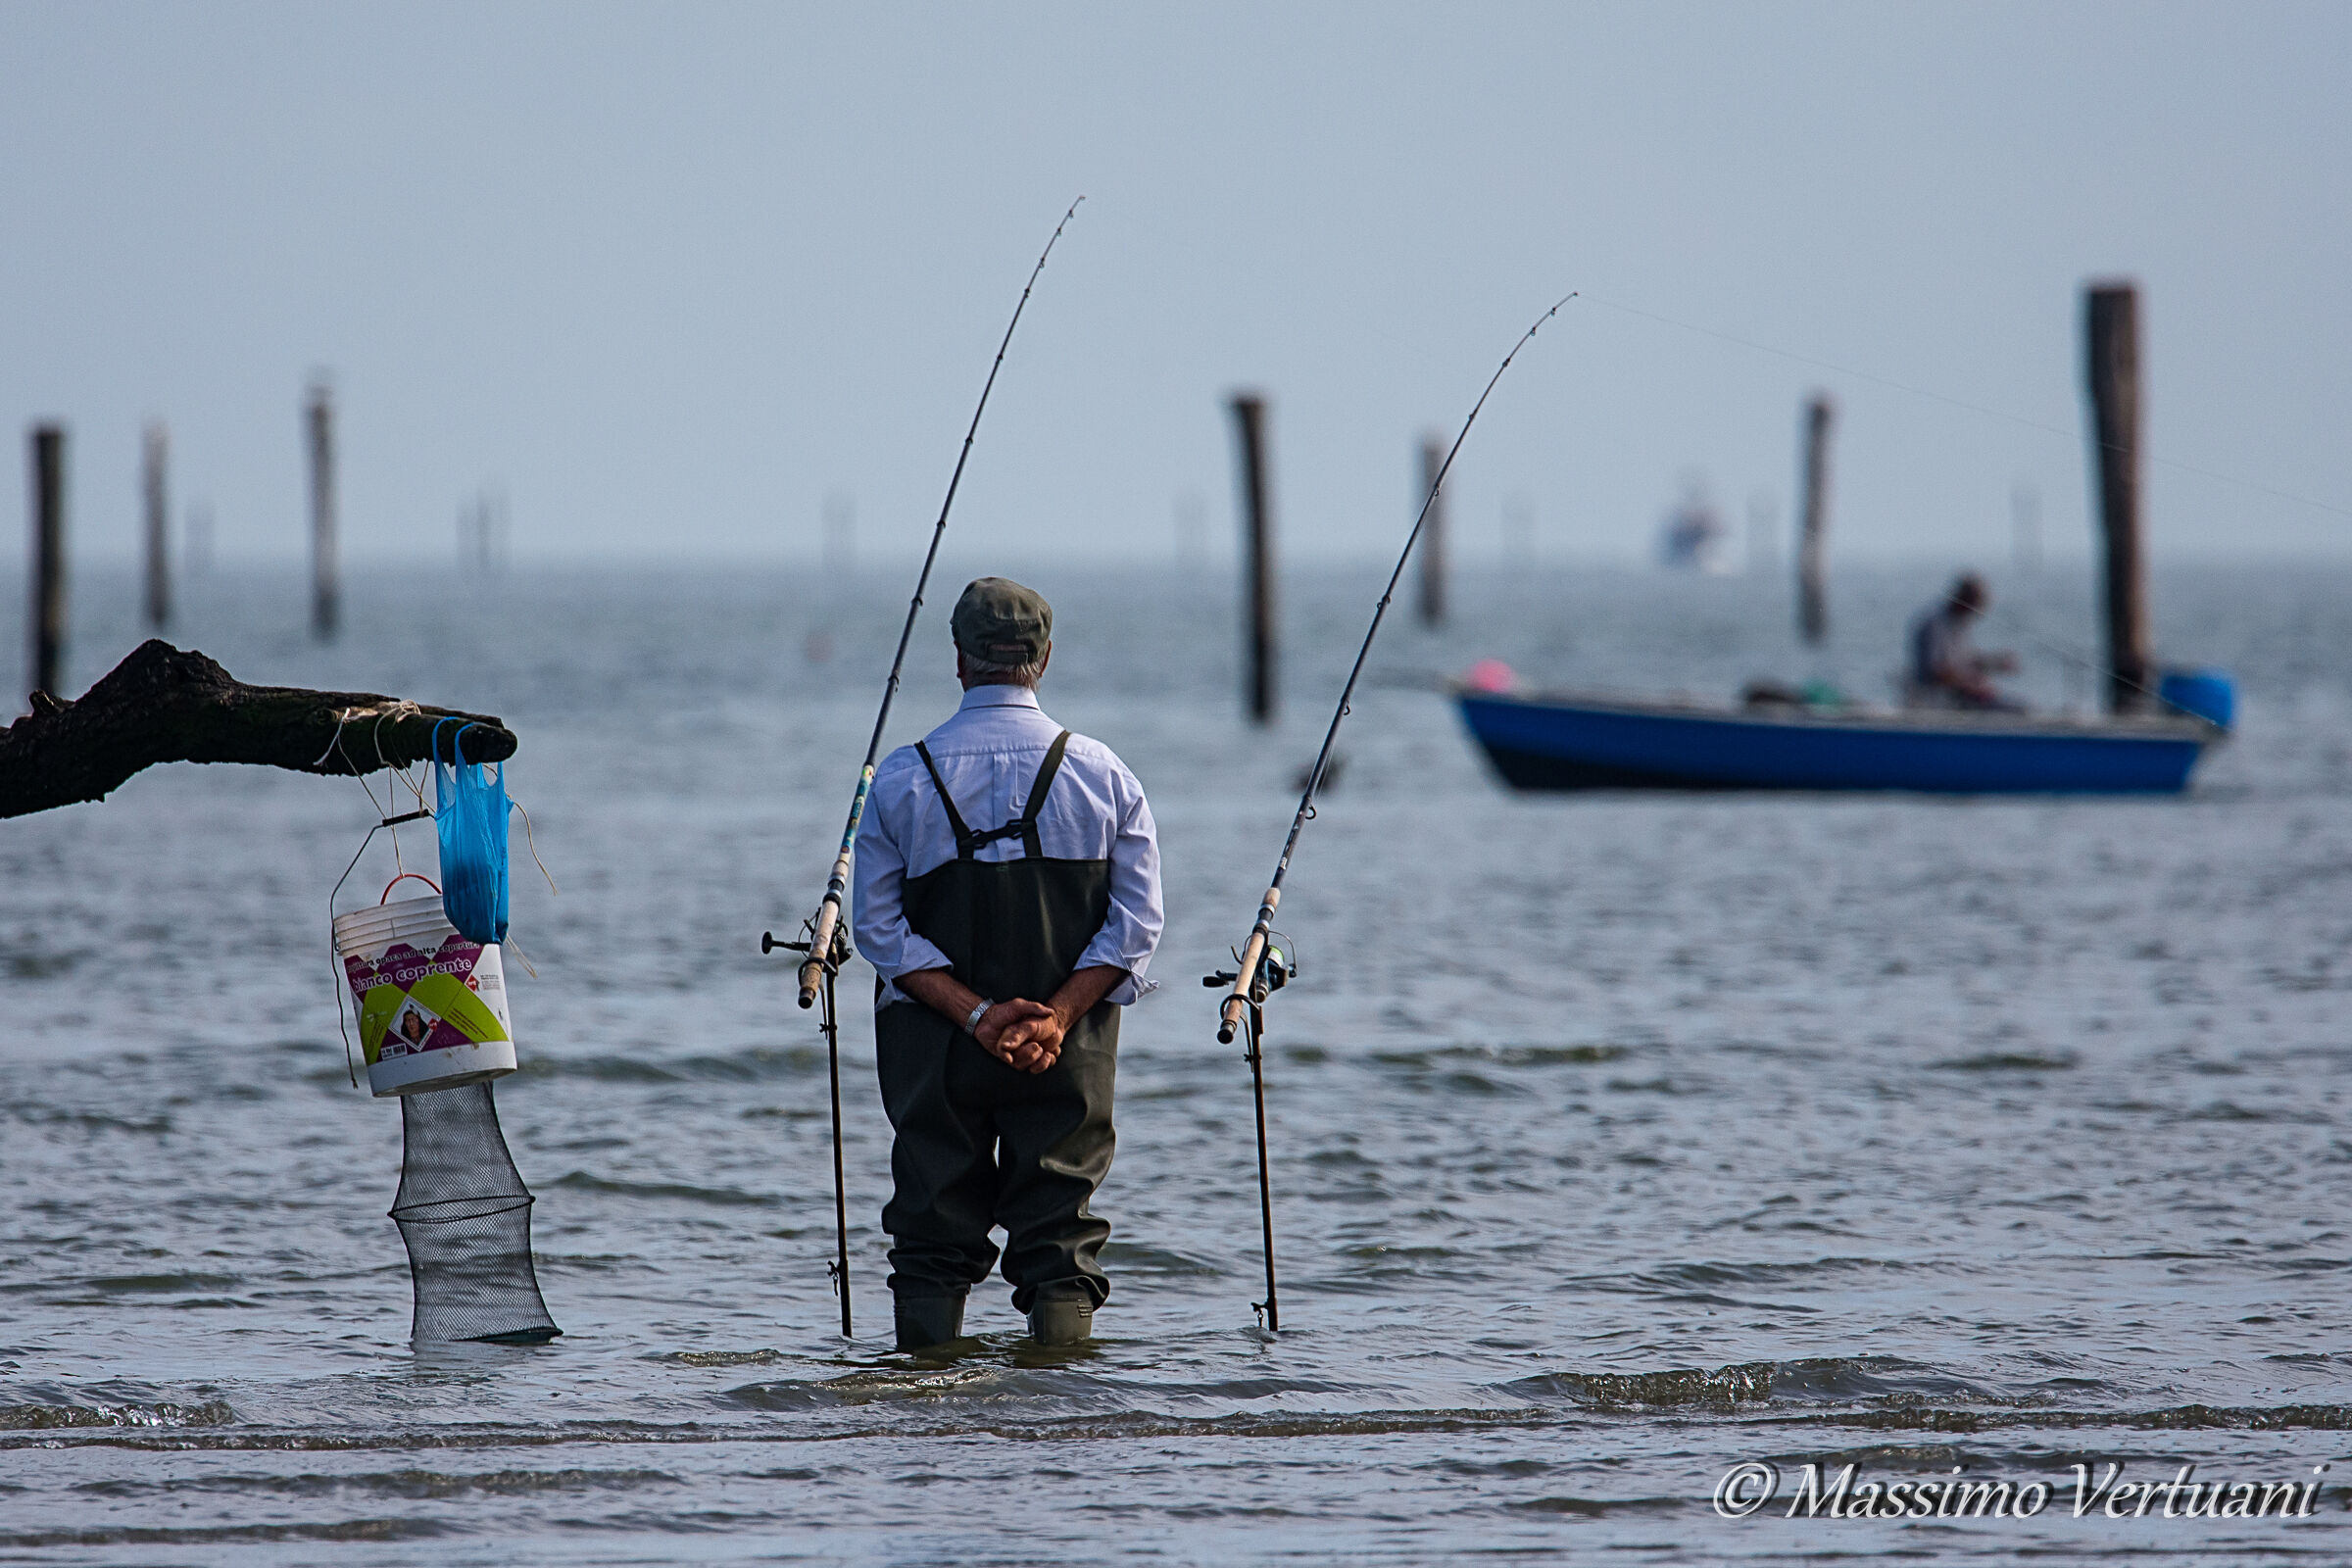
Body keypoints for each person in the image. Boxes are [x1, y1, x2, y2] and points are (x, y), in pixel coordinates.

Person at [853, 577, 1162, 1350]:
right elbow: (1136, 928)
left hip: (935, 1049)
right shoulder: (1106, 774)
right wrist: (1055, 1017)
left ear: (959, 659)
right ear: (1044, 659)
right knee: (1060, 1236)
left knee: (930, 1233)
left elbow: (879, 932)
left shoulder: (900, 778)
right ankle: (1056, 1402)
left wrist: (980, 1018)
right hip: (1068, 1048)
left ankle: (926, 1394)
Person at [1907, 573, 2019, 710]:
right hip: (1942, 701)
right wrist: (1972, 686)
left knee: (2020, 706)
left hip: (1963, 697)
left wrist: (1996, 663)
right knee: (2018, 710)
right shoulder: (1935, 625)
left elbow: (1967, 661)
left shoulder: (1958, 623)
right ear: (1965, 600)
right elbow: (1937, 672)